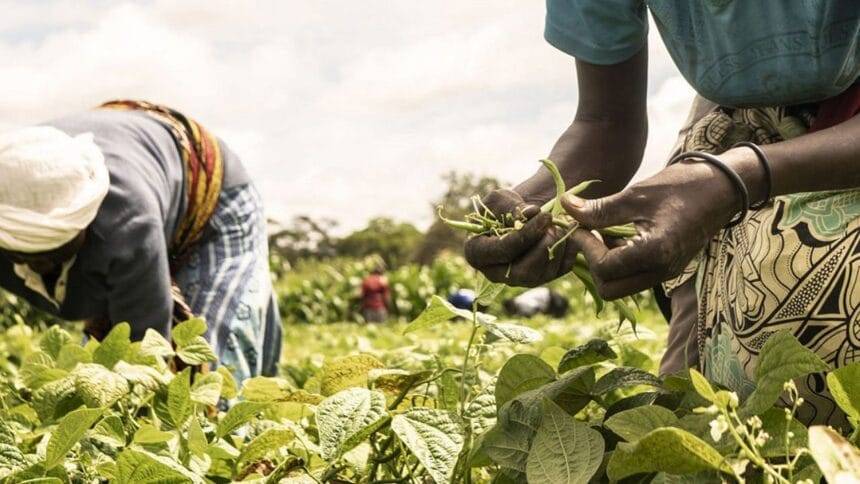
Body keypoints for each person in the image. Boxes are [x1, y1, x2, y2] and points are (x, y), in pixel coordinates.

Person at [465, 2, 859, 428]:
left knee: (822, 312)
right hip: (741, 114)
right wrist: (539, 206)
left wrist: (736, 178)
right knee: (689, 404)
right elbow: (605, 120)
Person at [0, 100, 282, 383]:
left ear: (84, 225)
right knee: (89, 386)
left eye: (53, 251)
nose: (40, 266)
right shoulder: (8, 211)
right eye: (22, 254)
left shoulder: (126, 225)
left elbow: (145, 352)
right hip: (136, 167)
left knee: (209, 374)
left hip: (211, 198)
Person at [503, 287, 569, 319]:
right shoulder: (518, 300)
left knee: (562, 313)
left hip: (550, 298)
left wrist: (531, 317)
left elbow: (535, 307)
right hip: (547, 296)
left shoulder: (521, 302)